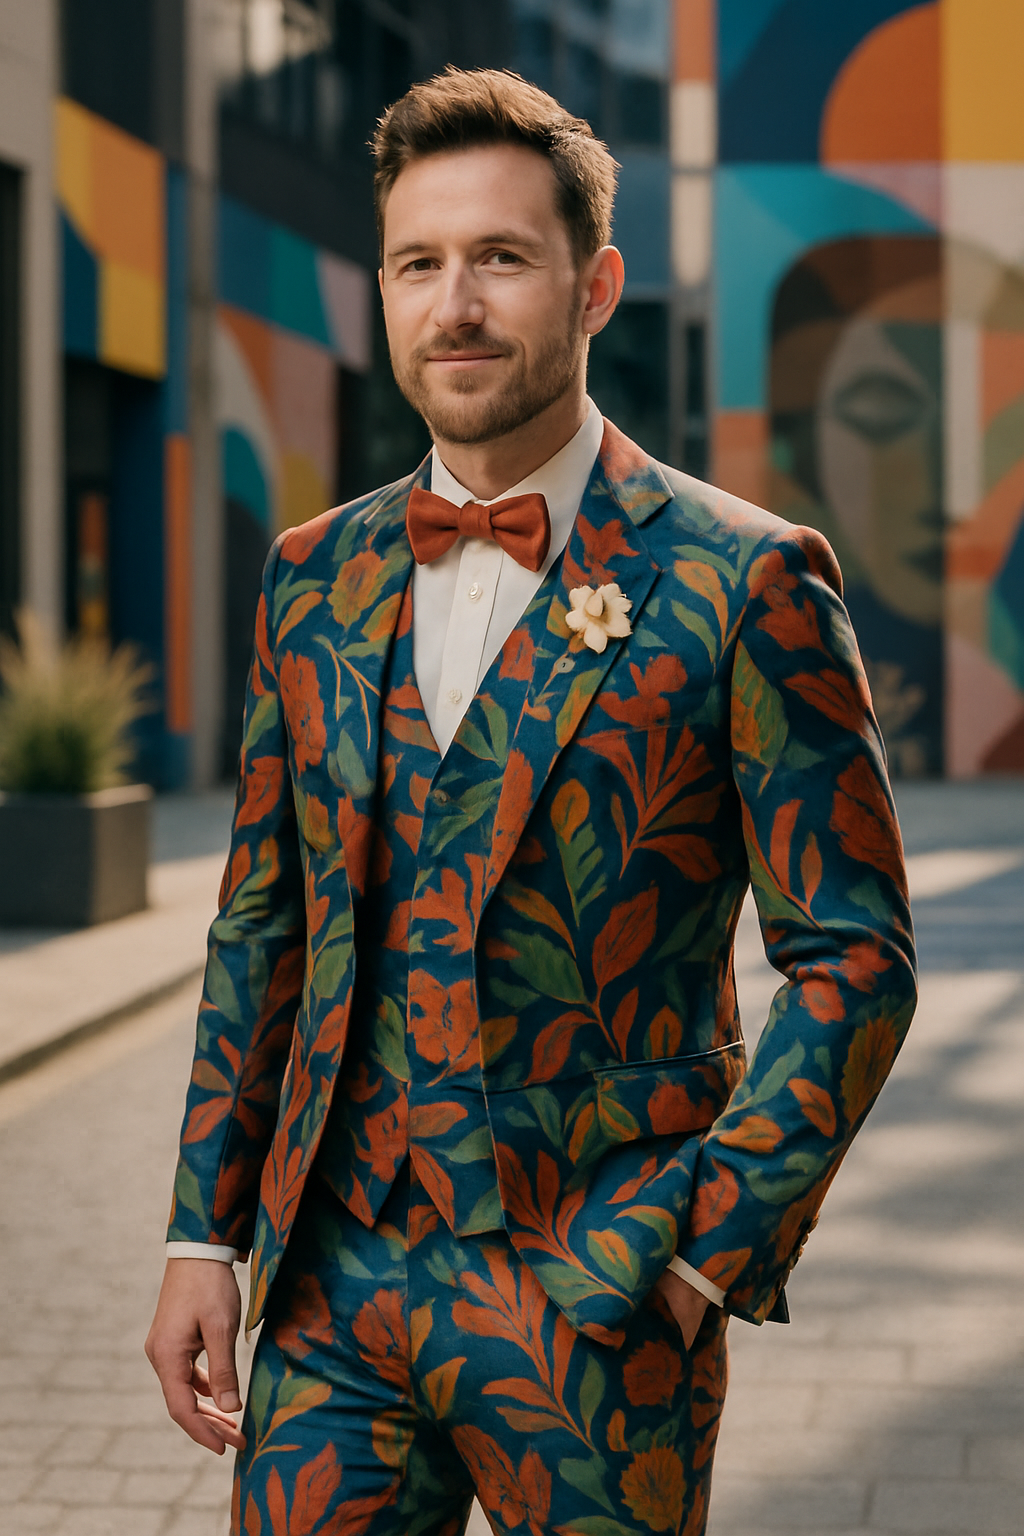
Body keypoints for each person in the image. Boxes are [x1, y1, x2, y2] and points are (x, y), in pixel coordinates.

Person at [146, 67, 917, 1536]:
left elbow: (856, 957)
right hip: (330, 1284)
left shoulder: (745, 581)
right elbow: (263, 922)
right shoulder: (312, 576)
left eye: (501, 258)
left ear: (596, 284)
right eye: (419, 263)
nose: (456, 305)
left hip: (601, 1290)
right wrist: (202, 1229)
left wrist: (705, 1255)